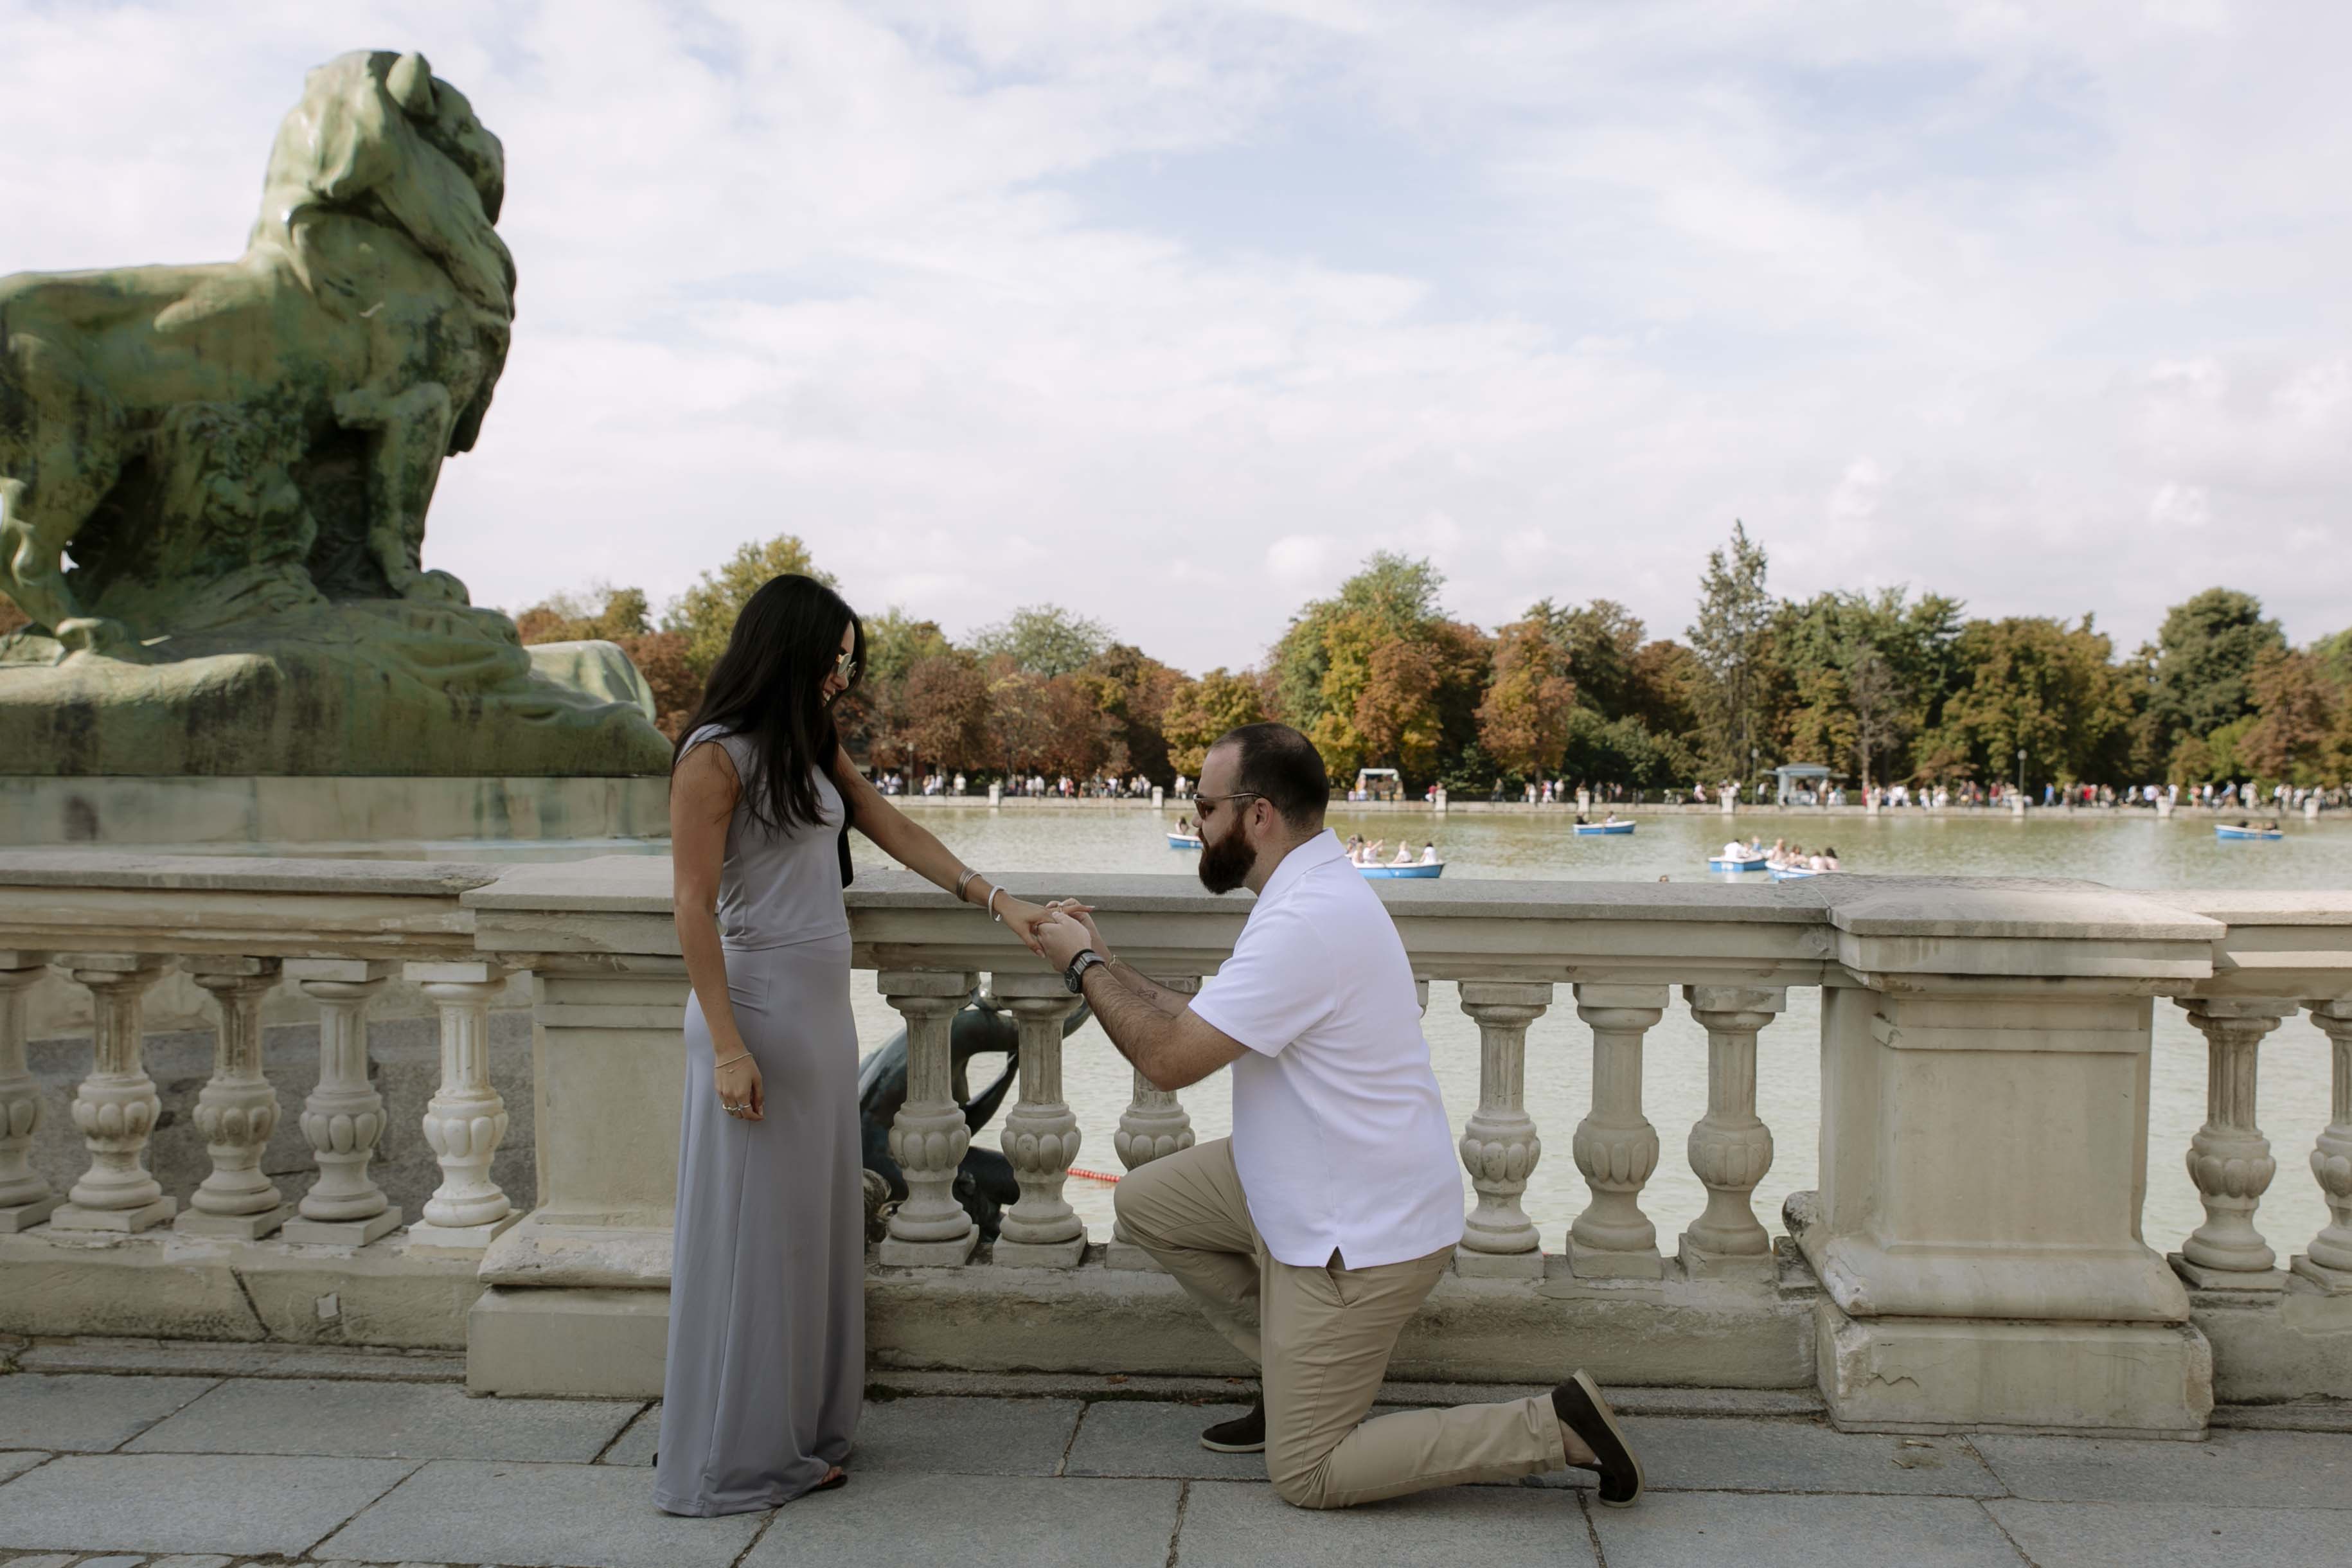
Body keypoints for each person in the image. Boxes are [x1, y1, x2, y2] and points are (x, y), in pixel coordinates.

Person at [1033, 722, 1643, 1512]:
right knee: (1147, 1202)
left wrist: (1081, 968)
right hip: (1300, 1175)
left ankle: (1553, 1426)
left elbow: (1169, 1059)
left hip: (1359, 1225)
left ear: (1256, 817)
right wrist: (1109, 961)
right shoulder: (1308, 891)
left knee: (1308, 1476)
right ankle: (1293, 1379)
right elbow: (1201, 1022)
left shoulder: (1304, 921)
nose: (1194, 821)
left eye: (1203, 804)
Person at [655, 574, 1058, 1517]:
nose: (842, 675)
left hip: (817, 1016)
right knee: (756, 1239)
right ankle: (736, 1461)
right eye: (831, 658)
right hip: (751, 1013)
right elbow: (690, 907)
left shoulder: (806, 743)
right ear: (786, 650)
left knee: (808, 1233)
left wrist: (1001, 904)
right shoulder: (713, 758)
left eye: (849, 660)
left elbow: (895, 828)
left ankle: (801, 1434)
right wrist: (726, 1047)